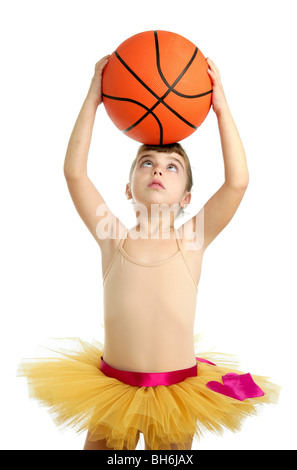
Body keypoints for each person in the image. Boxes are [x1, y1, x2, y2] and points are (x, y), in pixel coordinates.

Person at [18, 55, 280, 450]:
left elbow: (238, 182)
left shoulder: (192, 237)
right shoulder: (112, 236)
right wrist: (94, 96)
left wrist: (221, 107)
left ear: (187, 198)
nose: (158, 171)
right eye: (146, 163)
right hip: (112, 389)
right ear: (128, 189)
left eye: (173, 167)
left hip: (176, 391)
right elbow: (75, 173)